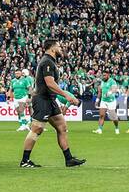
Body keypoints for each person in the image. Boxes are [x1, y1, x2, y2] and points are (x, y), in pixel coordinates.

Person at [21, 40, 85, 169]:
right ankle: (25, 161)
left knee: (62, 127)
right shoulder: (47, 62)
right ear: (52, 48)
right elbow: (49, 83)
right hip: (42, 99)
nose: (61, 48)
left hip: (50, 100)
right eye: (59, 46)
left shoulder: (50, 62)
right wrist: (66, 95)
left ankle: (69, 159)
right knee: (37, 129)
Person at [93, 71, 121, 135]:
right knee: (101, 115)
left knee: (113, 117)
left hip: (111, 101)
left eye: (105, 75)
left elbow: (114, 89)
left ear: (108, 75)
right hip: (103, 101)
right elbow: (100, 92)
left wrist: (108, 94)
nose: (103, 77)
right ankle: (99, 129)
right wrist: (97, 100)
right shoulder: (102, 82)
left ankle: (116, 128)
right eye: (103, 75)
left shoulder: (112, 81)